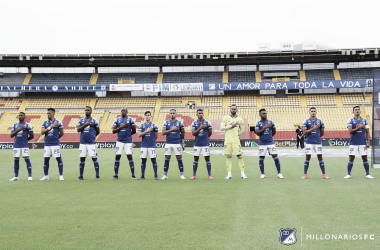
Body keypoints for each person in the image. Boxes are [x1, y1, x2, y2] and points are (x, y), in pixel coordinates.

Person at [345, 106, 374, 179]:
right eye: (355, 110)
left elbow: (367, 132)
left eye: (358, 110)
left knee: (365, 157)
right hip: (353, 143)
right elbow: (350, 131)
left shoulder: (364, 120)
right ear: (353, 112)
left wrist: (368, 142)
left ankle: (367, 174)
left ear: (360, 111)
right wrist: (359, 127)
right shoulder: (350, 120)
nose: (357, 111)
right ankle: (348, 174)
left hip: (362, 143)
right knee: (351, 158)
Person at [254, 109, 283, 179]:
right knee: (261, 158)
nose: (265, 114)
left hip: (270, 142)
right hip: (262, 143)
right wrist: (264, 128)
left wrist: (269, 136)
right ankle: (262, 174)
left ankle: (279, 173)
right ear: (260, 114)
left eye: (266, 113)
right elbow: (257, 132)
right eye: (263, 113)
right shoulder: (257, 123)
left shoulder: (271, 122)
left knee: (275, 157)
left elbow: (274, 131)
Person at [302, 107, 329, 179]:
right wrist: (313, 129)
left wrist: (316, 136)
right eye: (312, 111)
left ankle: (324, 174)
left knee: (320, 157)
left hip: (318, 142)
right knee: (307, 157)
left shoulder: (320, 121)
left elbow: (322, 132)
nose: (313, 112)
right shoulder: (306, 121)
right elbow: (304, 132)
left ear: (316, 112)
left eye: (314, 111)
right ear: (309, 112)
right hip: (309, 142)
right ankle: (305, 174)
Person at [220, 104, 247, 179]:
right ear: (230, 109)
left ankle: (242, 174)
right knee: (228, 156)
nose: (233, 110)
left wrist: (236, 135)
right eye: (232, 109)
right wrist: (231, 126)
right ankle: (229, 174)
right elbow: (221, 128)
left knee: (239, 156)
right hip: (227, 141)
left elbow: (242, 130)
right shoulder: (226, 118)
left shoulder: (240, 119)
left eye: (234, 109)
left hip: (236, 141)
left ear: (237, 110)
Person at [40, 108, 65, 181]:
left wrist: (56, 138)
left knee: (59, 159)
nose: (48, 115)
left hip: (55, 144)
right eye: (47, 113)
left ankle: (61, 175)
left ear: (53, 113)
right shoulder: (45, 122)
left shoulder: (58, 122)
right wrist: (50, 127)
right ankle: (46, 176)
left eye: (50, 113)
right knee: (46, 160)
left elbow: (62, 133)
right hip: (47, 144)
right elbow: (42, 132)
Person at [111, 107, 136, 180]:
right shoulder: (117, 120)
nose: (123, 112)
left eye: (124, 110)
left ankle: (133, 175)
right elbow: (113, 131)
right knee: (117, 157)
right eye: (122, 111)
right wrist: (122, 127)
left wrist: (128, 135)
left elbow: (134, 131)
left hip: (128, 142)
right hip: (119, 141)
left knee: (129, 157)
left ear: (127, 111)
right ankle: (116, 175)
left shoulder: (131, 120)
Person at [76, 106, 100, 181]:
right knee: (82, 158)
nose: (87, 111)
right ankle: (81, 176)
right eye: (86, 110)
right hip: (83, 143)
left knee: (94, 158)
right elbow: (78, 130)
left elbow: (98, 131)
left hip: (91, 143)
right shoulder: (81, 120)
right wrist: (85, 124)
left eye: (88, 110)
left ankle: (97, 176)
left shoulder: (95, 121)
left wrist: (93, 137)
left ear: (91, 111)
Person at [161, 109, 186, 179]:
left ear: (176, 114)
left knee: (179, 159)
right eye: (171, 113)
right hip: (168, 143)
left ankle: (182, 175)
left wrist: (180, 138)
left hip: (177, 143)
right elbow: (163, 132)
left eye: (173, 113)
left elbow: (183, 133)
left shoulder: (180, 123)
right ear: (169, 114)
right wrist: (172, 129)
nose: (172, 114)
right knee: (167, 159)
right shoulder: (166, 122)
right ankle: (165, 175)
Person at [9, 112, 34, 181]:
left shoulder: (28, 125)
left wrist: (26, 140)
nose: (20, 116)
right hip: (16, 145)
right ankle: (16, 176)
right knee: (16, 160)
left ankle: (30, 176)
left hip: (24, 146)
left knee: (27, 159)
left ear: (24, 116)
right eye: (19, 115)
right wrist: (18, 130)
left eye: (21, 115)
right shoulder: (14, 125)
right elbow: (11, 135)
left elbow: (32, 136)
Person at [191, 109, 213, 180]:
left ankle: (209, 175)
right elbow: (193, 133)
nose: (200, 114)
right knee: (196, 159)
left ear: (203, 114)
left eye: (202, 113)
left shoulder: (207, 123)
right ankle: (194, 175)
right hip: (197, 144)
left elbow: (210, 133)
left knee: (207, 158)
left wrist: (205, 137)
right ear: (196, 114)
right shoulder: (194, 123)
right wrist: (200, 128)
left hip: (205, 144)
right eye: (199, 113)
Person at [137, 111, 159, 180]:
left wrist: (152, 141)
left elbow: (156, 136)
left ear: (150, 116)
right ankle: (142, 175)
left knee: (153, 160)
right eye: (146, 115)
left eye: (148, 115)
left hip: (151, 145)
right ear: (144, 116)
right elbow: (139, 135)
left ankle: (156, 175)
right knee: (143, 160)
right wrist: (147, 131)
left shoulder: (154, 125)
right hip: (144, 146)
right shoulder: (141, 125)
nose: (147, 116)